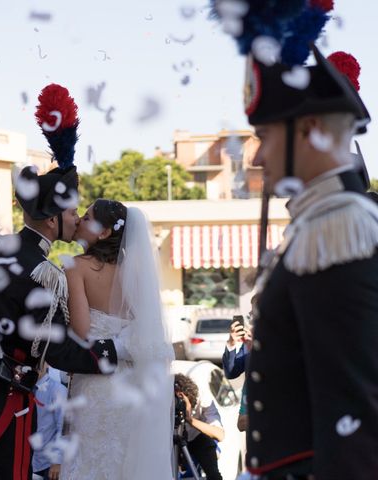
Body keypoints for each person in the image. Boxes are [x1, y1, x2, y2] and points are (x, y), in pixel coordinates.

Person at [214, 3, 378, 476]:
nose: (259, 157)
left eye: (265, 136)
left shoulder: (339, 227)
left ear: (308, 130)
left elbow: (355, 412)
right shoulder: (319, 225)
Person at [0, 84, 128, 479]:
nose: (77, 220)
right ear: (50, 219)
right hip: (2, 398)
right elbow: (58, 353)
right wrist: (116, 350)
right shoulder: (47, 274)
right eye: (72, 213)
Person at [62, 199, 175, 479]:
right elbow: (149, 331)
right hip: (132, 383)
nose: (79, 221)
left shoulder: (76, 267)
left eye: (87, 218)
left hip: (96, 382)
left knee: (92, 459)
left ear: (104, 232)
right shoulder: (136, 273)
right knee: (127, 459)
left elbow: (82, 332)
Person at [174, 374, 224, 480]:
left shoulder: (203, 398)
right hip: (174, 440)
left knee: (214, 476)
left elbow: (220, 435)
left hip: (198, 437)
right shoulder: (168, 398)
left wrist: (190, 419)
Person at [32, 366, 66, 480]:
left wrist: (57, 461)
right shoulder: (23, 389)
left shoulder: (58, 390)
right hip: (26, 460)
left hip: (48, 465)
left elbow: (63, 427)